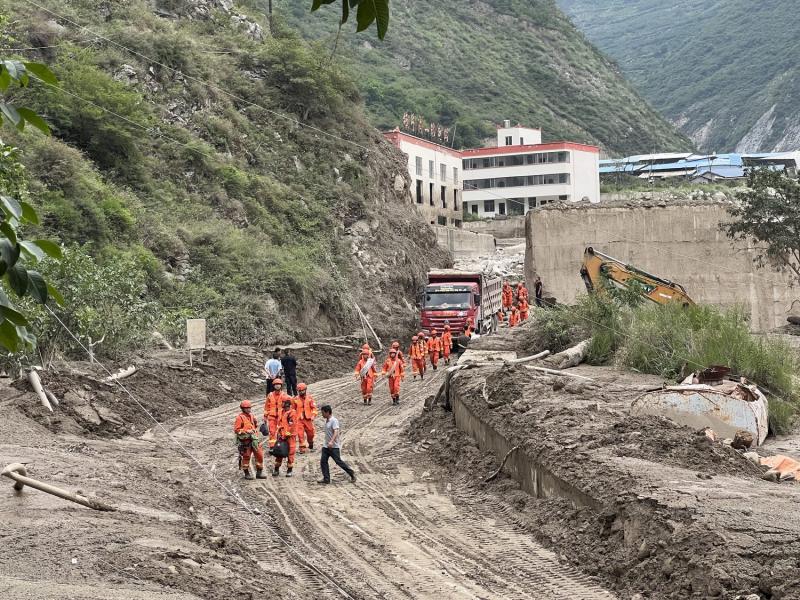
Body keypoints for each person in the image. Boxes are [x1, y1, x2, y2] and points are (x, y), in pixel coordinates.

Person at [318, 405, 356, 484]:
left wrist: (331, 441)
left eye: (323, 413)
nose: (322, 414)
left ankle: (351, 472)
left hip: (333, 446)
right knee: (323, 461)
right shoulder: (327, 420)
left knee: (338, 461)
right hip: (326, 446)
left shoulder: (334, 420)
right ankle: (326, 479)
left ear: (327, 412)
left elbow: (336, 432)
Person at [234, 400, 265, 480]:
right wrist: (246, 431)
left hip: (254, 439)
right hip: (246, 441)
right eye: (246, 408)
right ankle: (246, 473)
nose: (248, 409)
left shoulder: (251, 416)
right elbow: (237, 430)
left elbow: (255, 425)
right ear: (242, 408)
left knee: (259, 455)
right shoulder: (239, 417)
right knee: (246, 456)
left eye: (249, 408)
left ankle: (259, 472)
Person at [272, 398, 297, 477]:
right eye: (284, 407)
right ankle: (276, 469)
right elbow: (279, 423)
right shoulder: (281, 412)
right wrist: (280, 433)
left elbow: (292, 426)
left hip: (290, 436)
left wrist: (286, 435)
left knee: (290, 453)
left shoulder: (292, 413)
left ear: (290, 406)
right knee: (279, 452)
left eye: (286, 407)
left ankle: (289, 470)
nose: (285, 408)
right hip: (281, 436)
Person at [293, 383, 317, 454]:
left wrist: (313, 415)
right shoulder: (295, 399)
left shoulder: (309, 398)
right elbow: (293, 410)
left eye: (302, 391)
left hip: (308, 419)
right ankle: (302, 448)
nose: (301, 392)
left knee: (311, 433)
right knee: (300, 434)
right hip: (299, 419)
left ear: (305, 390)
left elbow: (314, 408)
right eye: (299, 391)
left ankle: (310, 443)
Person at [264, 378, 288, 447]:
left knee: (282, 431)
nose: (277, 386)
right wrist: (265, 416)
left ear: (281, 385)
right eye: (276, 385)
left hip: (281, 417)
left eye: (279, 384)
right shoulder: (270, 395)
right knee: (272, 431)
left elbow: (288, 406)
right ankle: (272, 446)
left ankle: (281, 445)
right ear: (273, 386)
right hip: (272, 416)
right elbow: (266, 407)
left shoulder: (284, 395)